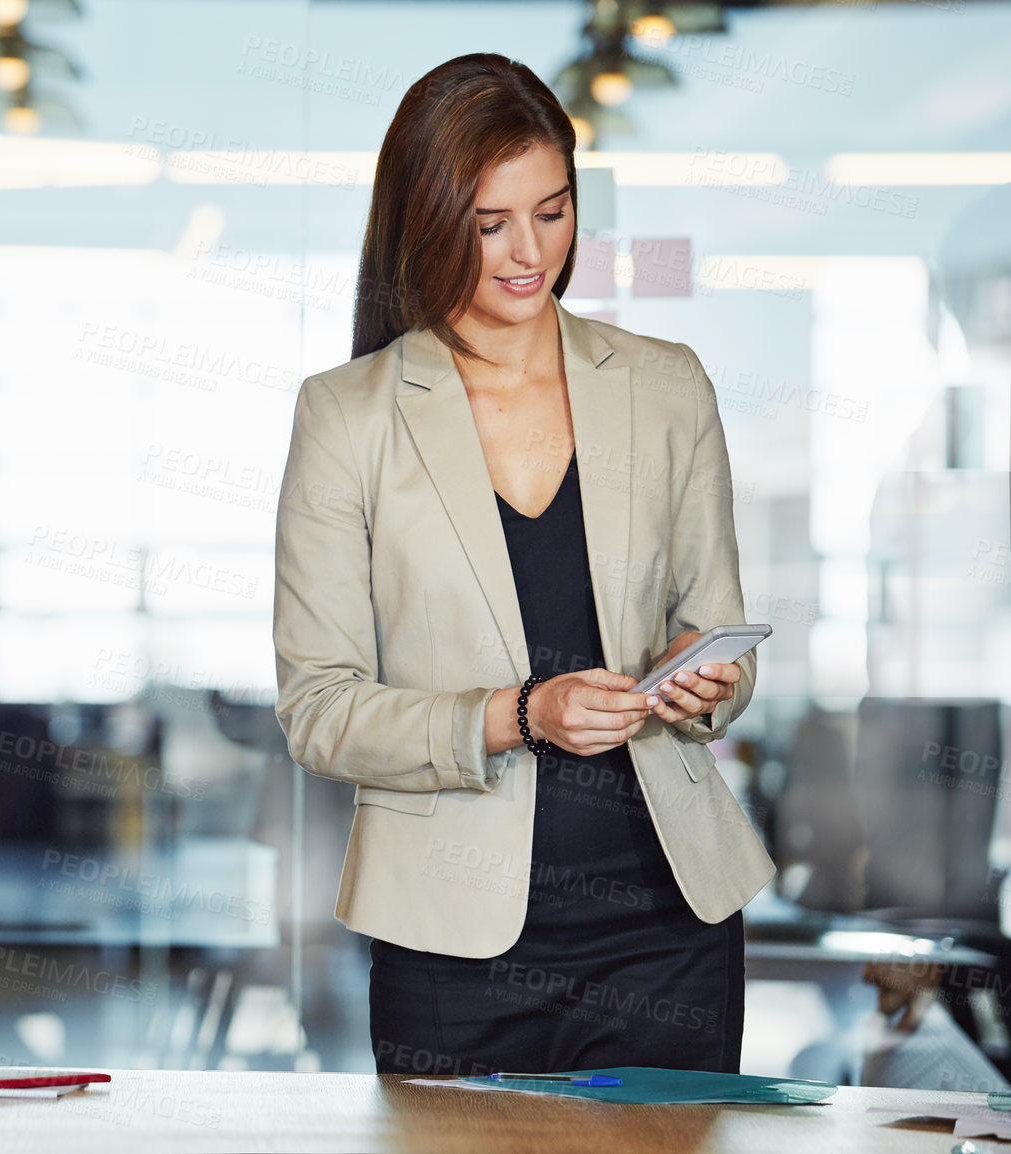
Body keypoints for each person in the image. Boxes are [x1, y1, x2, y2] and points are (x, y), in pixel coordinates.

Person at [271, 53, 775, 1077]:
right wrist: (517, 713)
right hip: (452, 945)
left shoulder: (665, 386)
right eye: (489, 221)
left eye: (550, 212)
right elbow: (318, 708)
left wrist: (703, 675)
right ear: (425, 215)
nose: (526, 252)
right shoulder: (349, 415)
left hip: (667, 926)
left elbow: (718, 628)